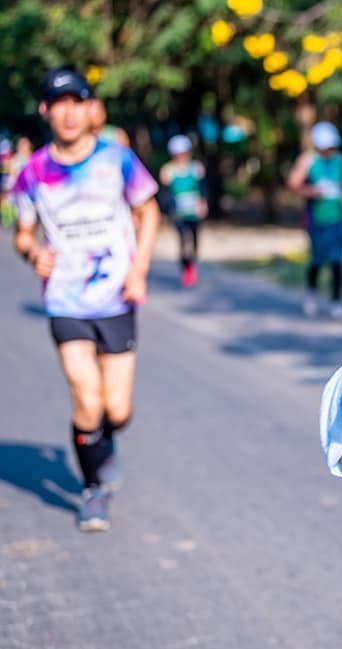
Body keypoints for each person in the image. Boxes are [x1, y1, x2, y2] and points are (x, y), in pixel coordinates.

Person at [10, 65, 160, 532]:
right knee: (85, 396)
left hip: (116, 299)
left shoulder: (116, 159)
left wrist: (139, 269)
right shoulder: (32, 173)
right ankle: (94, 489)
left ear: (89, 107)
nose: (69, 113)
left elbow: (148, 210)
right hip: (66, 302)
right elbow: (22, 233)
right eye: (60, 104)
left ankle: (103, 440)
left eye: (78, 101)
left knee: (117, 410)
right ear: (46, 111)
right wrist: (33, 252)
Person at [286, 121, 342, 318]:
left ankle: (336, 301)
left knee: (337, 260)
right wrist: (310, 191)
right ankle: (311, 295)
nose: (328, 150)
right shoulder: (307, 160)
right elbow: (293, 183)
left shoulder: (340, 159)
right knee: (316, 259)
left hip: (338, 217)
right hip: (316, 219)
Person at [159, 134, 207, 288]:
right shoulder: (168, 171)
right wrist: (166, 211)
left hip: (194, 211)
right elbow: (165, 194)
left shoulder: (196, 168)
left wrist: (203, 204)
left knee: (194, 240)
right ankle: (186, 268)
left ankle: (192, 263)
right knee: (183, 241)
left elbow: (203, 189)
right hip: (178, 213)